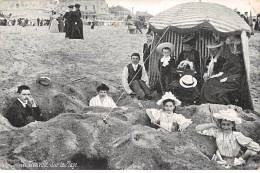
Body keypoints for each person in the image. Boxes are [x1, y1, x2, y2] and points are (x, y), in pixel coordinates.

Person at [196, 109, 260, 168]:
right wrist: (212, 125)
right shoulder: (217, 132)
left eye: (228, 124)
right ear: (220, 125)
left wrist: (242, 158)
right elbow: (198, 129)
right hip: (219, 161)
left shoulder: (237, 135)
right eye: (223, 124)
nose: (226, 127)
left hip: (234, 163)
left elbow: (256, 147)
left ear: (232, 125)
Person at [201, 35, 244, 105]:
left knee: (210, 85)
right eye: (211, 51)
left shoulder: (223, 60)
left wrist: (214, 76)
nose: (212, 52)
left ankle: (215, 102)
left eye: (214, 51)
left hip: (228, 79)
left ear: (218, 51)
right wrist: (205, 75)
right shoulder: (208, 59)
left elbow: (224, 72)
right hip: (219, 77)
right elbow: (205, 70)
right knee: (208, 83)